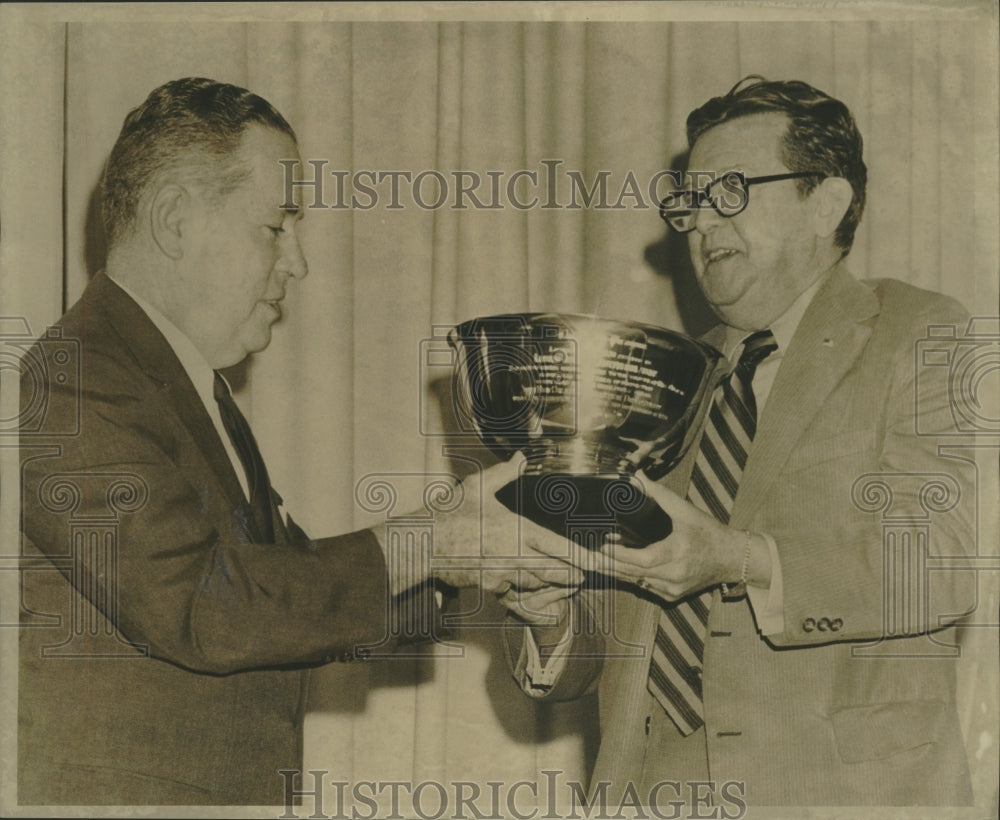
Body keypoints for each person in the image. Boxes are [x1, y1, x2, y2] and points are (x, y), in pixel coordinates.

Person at [17, 77, 578, 806]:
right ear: (174, 220)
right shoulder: (69, 383)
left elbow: (281, 587)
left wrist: (477, 560)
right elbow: (211, 609)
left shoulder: (180, 385)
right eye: (276, 226)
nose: (299, 262)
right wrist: (433, 543)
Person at [502, 77, 977, 809]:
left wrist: (740, 558)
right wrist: (550, 614)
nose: (696, 223)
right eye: (689, 202)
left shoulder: (918, 331)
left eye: (728, 191)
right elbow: (610, 651)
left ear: (826, 202)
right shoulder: (659, 380)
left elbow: (941, 557)